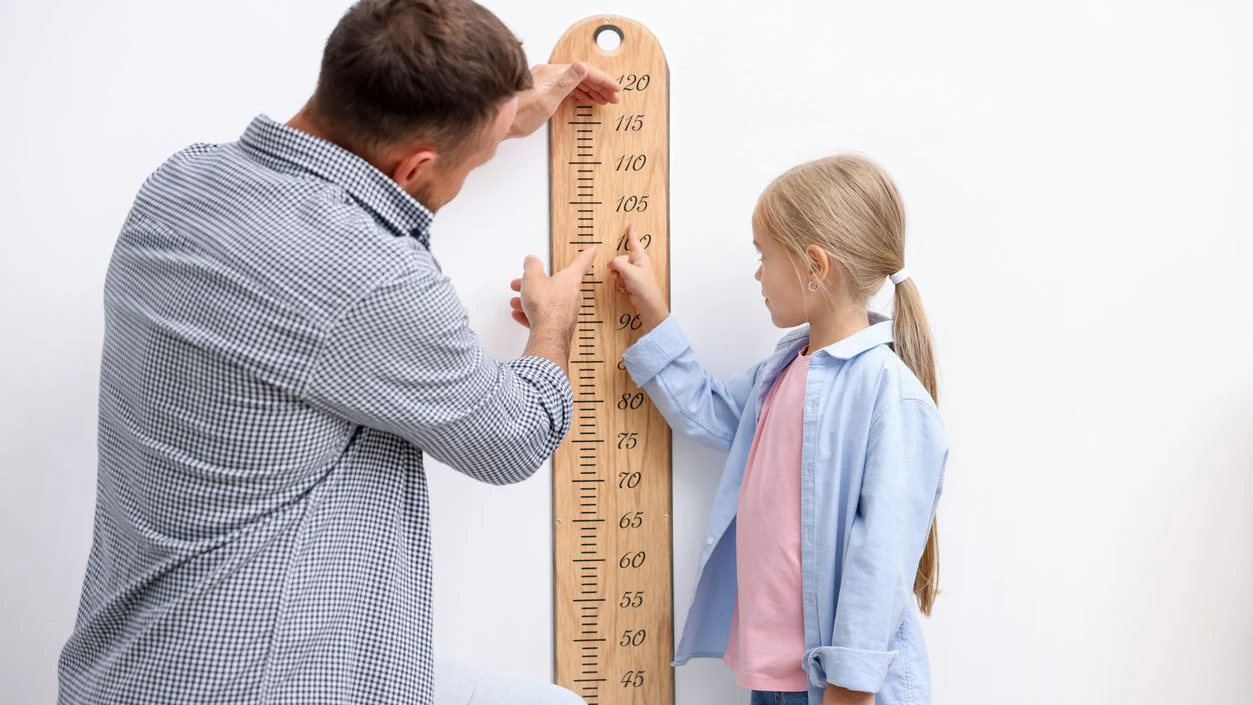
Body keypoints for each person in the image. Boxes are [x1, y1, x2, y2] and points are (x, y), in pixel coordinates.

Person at [57, 1, 621, 703]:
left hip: (129, 668)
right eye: (476, 163)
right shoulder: (376, 280)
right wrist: (552, 324)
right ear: (413, 166)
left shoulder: (183, 181)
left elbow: (345, 210)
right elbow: (513, 437)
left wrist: (497, 115)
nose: (475, 171)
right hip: (259, 682)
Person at [604, 154, 949, 705]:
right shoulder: (784, 370)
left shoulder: (888, 394)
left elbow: (881, 556)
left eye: (763, 256)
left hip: (840, 688)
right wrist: (651, 310)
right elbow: (707, 408)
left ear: (815, 265)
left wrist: (850, 686)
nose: (757, 274)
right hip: (775, 678)